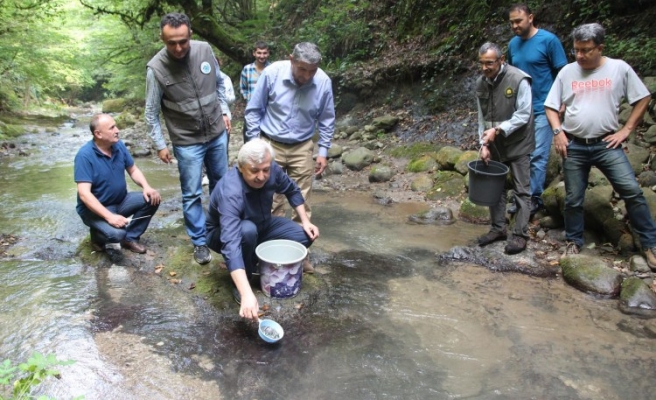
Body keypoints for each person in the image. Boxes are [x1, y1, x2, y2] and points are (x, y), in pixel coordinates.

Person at [545, 23, 656, 264]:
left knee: (633, 192)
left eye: (586, 50)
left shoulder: (619, 69)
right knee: (573, 198)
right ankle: (574, 241)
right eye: (576, 50)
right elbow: (550, 106)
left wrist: (626, 130)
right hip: (573, 144)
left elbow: (644, 97)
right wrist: (557, 132)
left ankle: (650, 244)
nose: (580, 56)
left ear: (600, 48)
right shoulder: (567, 72)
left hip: (607, 144)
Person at [145, 12, 231, 265]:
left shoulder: (205, 51)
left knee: (222, 185)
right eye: (171, 42)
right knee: (191, 193)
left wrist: (225, 111)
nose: (178, 47)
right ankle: (200, 242)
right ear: (162, 38)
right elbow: (151, 112)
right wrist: (160, 145)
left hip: (216, 134)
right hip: (186, 141)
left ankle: (222, 230)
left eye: (183, 41)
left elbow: (219, 85)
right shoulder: (156, 69)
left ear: (190, 34)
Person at [206, 139, 319, 320]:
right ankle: (245, 277)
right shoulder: (231, 193)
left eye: (265, 170)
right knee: (247, 232)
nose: (261, 176)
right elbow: (231, 244)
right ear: (241, 167)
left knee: (305, 235)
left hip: (262, 224)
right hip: (223, 233)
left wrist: (305, 221)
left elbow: (292, 190)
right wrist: (246, 294)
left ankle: (256, 256)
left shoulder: (271, 169)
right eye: (254, 171)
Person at [244, 42, 335, 225]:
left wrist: (323, 152)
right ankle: (270, 243)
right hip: (269, 144)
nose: (307, 76)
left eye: (312, 71)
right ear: (291, 59)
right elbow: (254, 111)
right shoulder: (272, 74)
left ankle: (300, 247)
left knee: (302, 200)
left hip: (302, 146)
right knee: (270, 198)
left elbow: (326, 119)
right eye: (302, 69)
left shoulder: (323, 82)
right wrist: (255, 145)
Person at [74, 113, 161, 264]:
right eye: (112, 127)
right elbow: (84, 194)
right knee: (117, 234)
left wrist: (147, 187)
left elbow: (133, 169)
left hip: (120, 201)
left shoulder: (118, 145)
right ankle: (98, 237)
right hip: (95, 210)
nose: (117, 130)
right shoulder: (84, 156)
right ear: (98, 134)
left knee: (152, 199)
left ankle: (131, 238)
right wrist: (110, 217)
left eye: (116, 126)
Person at [507, 3, 568, 215]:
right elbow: (510, 75)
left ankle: (534, 198)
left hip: (545, 107)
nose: (515, 25)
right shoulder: (513, 45)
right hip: (521, 110)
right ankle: (522, 196)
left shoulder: (548, 40)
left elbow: (563, 72)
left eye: (518, 21)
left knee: (538, 155)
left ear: (530, 18)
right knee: (521, 155)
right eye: (512, 22)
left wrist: (563, 102)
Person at [475, 42, 535, 255]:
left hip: (518, 143)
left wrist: (498, 130)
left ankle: (520, 235)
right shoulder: (480, 84)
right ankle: (498, 229)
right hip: (495, 145)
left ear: (501, 60)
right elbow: (482, 118)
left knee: (521, 189)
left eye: (489, 63)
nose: (485, 68)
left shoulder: (519, 79)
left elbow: (524, 114)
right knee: (495, 188)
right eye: (481, 63)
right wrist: (483, 144)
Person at [239, 41, 271, 142]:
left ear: (268, 53)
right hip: (251, 113)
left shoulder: (272, 69)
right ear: (254, 53)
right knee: (249, 143)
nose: (262, 56)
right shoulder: (247, 69)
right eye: (259, 53)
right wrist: (249, 99)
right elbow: (243, 88)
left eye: (264, 53)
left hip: (268, 113)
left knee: (267, 144)